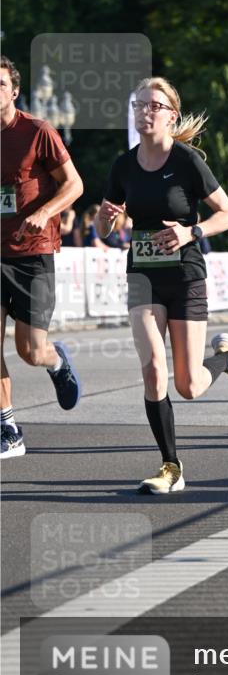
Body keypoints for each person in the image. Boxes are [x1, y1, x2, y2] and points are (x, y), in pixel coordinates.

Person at [95, 76, 228, 493]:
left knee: (188, 385)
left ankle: (227, 358)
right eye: (139, 105)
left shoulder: (186, 160)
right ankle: (171, 466)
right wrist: (106, 217)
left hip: (186, 273)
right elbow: (103, 229)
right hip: (142, 274)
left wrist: (193, 232)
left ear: (171, 116)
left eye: (154, 106)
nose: (145, 112)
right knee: (153, 367)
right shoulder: (123, 165)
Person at [1, 55, 84, 459]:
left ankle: (56, 362)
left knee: (31, 350)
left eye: (0, 84)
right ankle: (8, 430)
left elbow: (74, 184)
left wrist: (44, 212)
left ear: (14, 91)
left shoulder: (38, 131)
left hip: (33, 253)